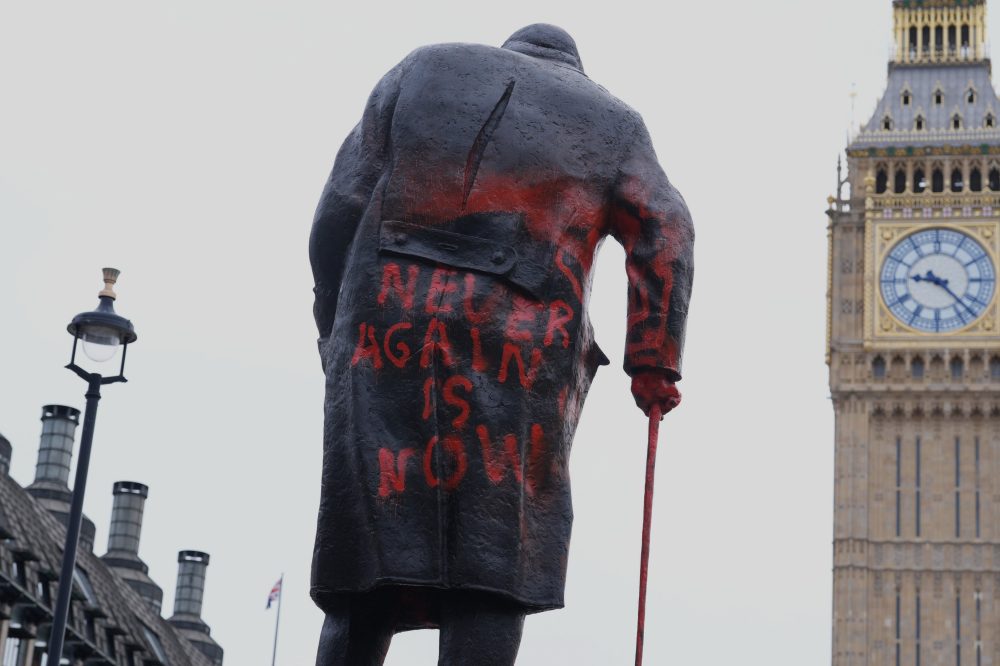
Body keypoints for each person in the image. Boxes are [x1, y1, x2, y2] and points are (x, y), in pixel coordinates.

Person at [309, 23, 694, 665]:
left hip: (383, 324)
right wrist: (653, 361)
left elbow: (338, 209)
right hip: (521, 340)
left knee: (364, 553)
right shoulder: (616, 124)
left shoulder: (420, 69)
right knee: (493, 562)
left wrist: (332, 320)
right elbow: (668, 227)